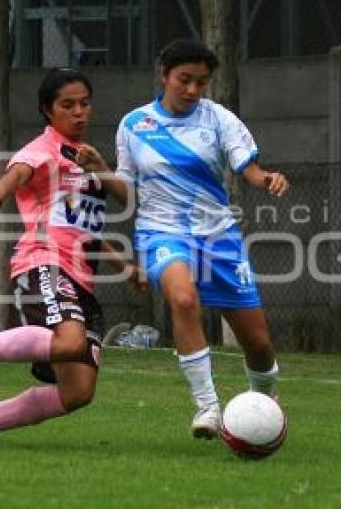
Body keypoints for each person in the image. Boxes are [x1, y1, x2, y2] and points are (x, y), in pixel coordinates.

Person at [0, 67, 144, 448]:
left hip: (81, 278)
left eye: (84, 103)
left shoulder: (86, 161)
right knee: (68, 343)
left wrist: (125, 266)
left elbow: (96, 223)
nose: (79, 112)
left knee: (78, 391)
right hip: (43, 262)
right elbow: (19, 171)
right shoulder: (42, 150)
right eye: (67, 105)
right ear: (47, 111)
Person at [111, 39, 289, 439]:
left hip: (218, 236)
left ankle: (264, 409)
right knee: (184, 298)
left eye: (201, 82)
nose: (192, 90)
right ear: (164, 76)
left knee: (258, 345)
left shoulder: (218, 119)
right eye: (184, 80)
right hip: (161, 233)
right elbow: (126, 188)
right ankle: (208, 408)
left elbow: (250, 168)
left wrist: (266, 179)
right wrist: (96, 173)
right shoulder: (134, 124)